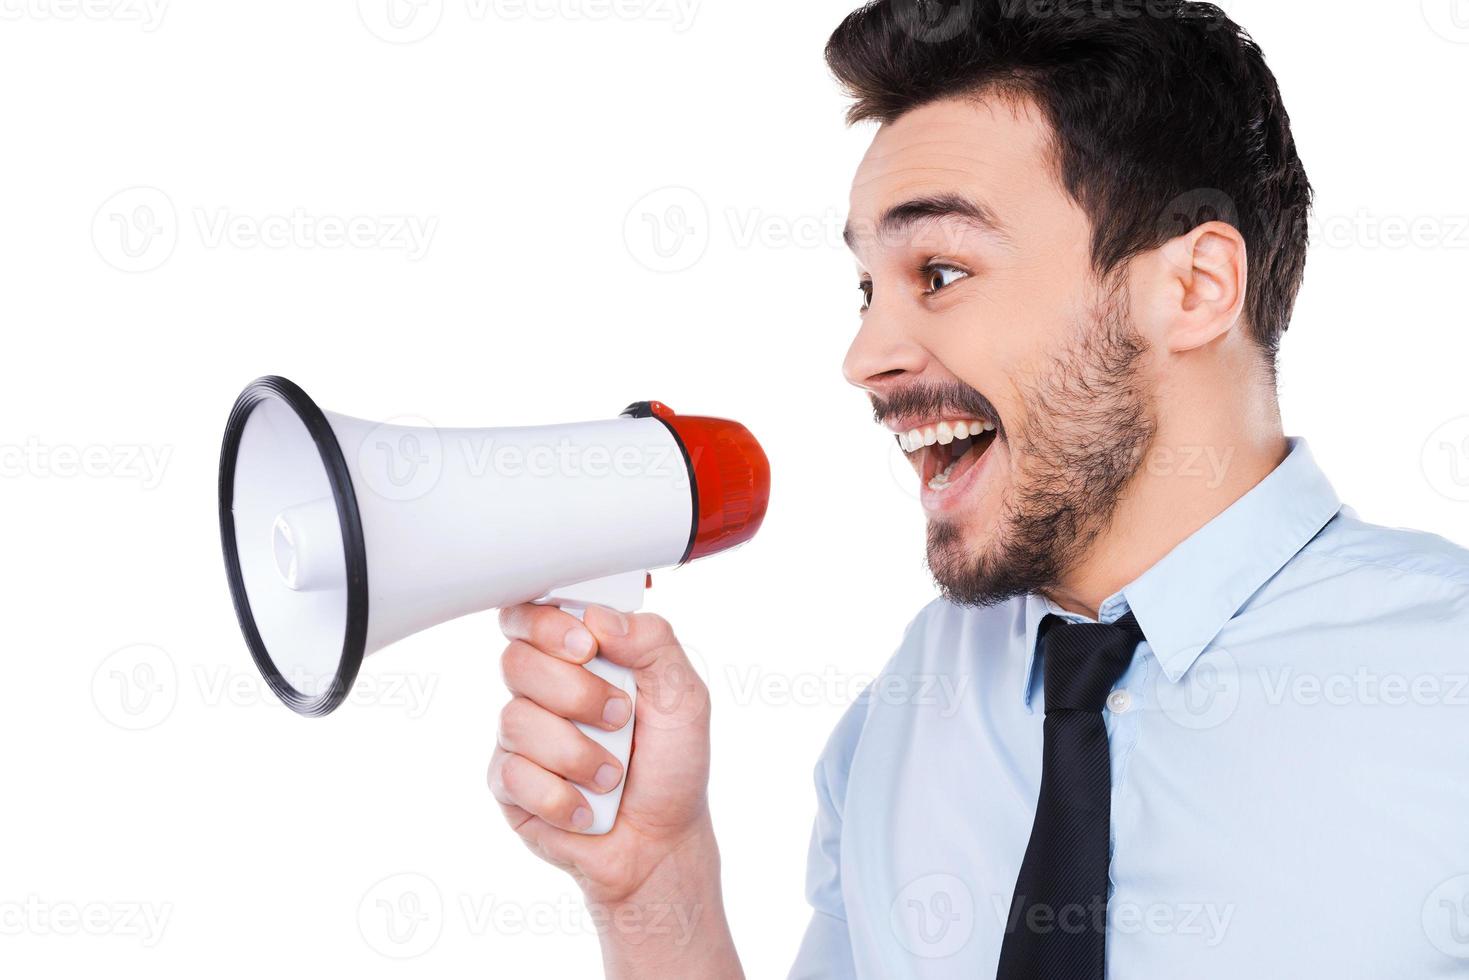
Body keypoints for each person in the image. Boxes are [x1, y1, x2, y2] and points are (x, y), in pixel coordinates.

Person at [487, 2, 1469, 976]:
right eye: (866, 288)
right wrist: (656, 883)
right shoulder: (905, 710)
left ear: (1191, 288)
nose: (863, 354)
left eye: (941, 270)